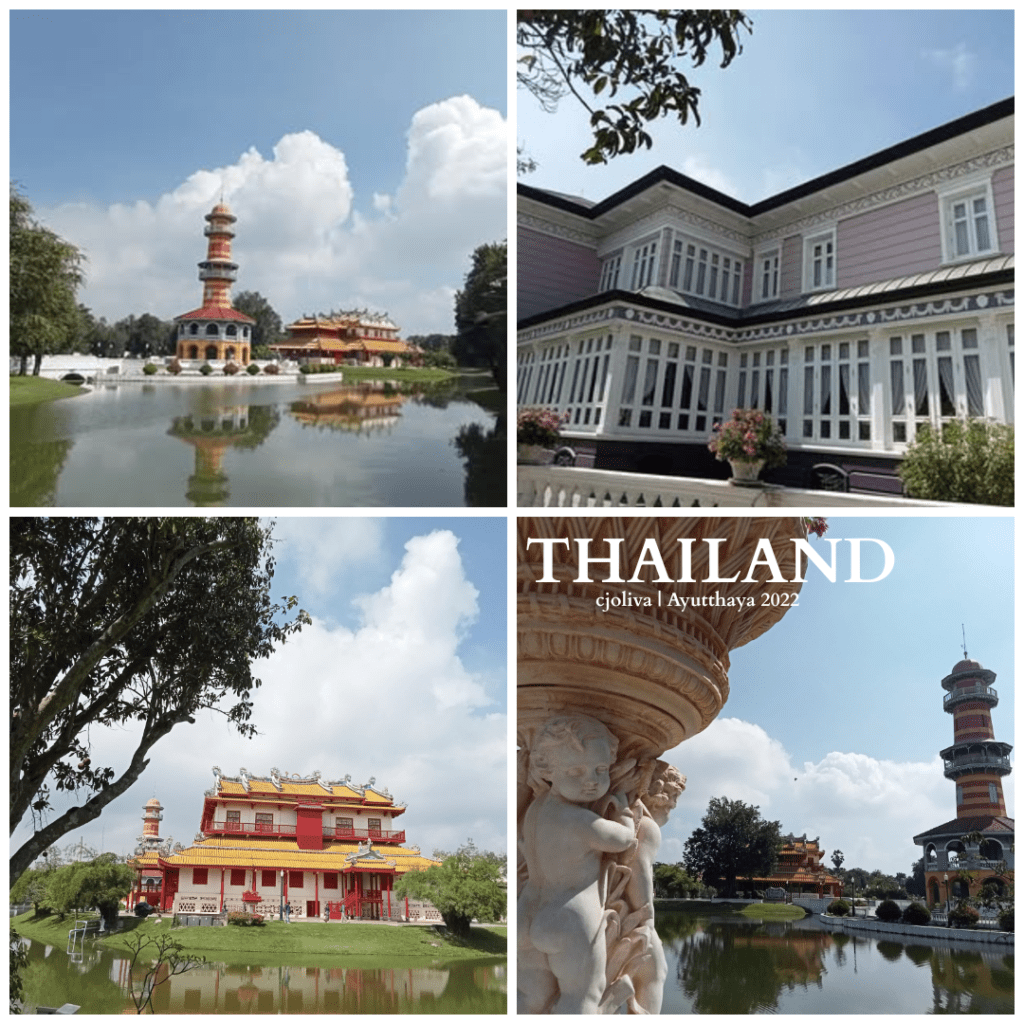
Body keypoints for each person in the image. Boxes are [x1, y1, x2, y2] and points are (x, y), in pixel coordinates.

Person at [518, 714, 638, 1014]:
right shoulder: (580, 821)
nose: (592, 782)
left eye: (600, 770)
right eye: (575, 771)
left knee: (530, 998)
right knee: (582, 996)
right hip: (570, 917)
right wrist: (623, 813)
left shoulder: (536, 809)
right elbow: (624, 840)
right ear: (547, 768)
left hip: (528, 911)